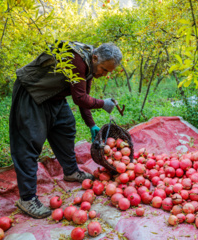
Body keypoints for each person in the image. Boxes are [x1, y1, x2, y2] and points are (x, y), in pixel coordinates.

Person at [9, 41, 122, 218]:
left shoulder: (90, 66)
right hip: (32, 91)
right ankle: (27, 198)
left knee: (66, 126)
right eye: (104, 69)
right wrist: (102, 104)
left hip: (53, 96)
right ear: (95, 57)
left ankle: (70, 171)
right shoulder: (77, 59)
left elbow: (83, 95)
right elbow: (79, 98)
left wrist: (91, 123)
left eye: (108, 72)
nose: (104, 74)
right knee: (29, 143)